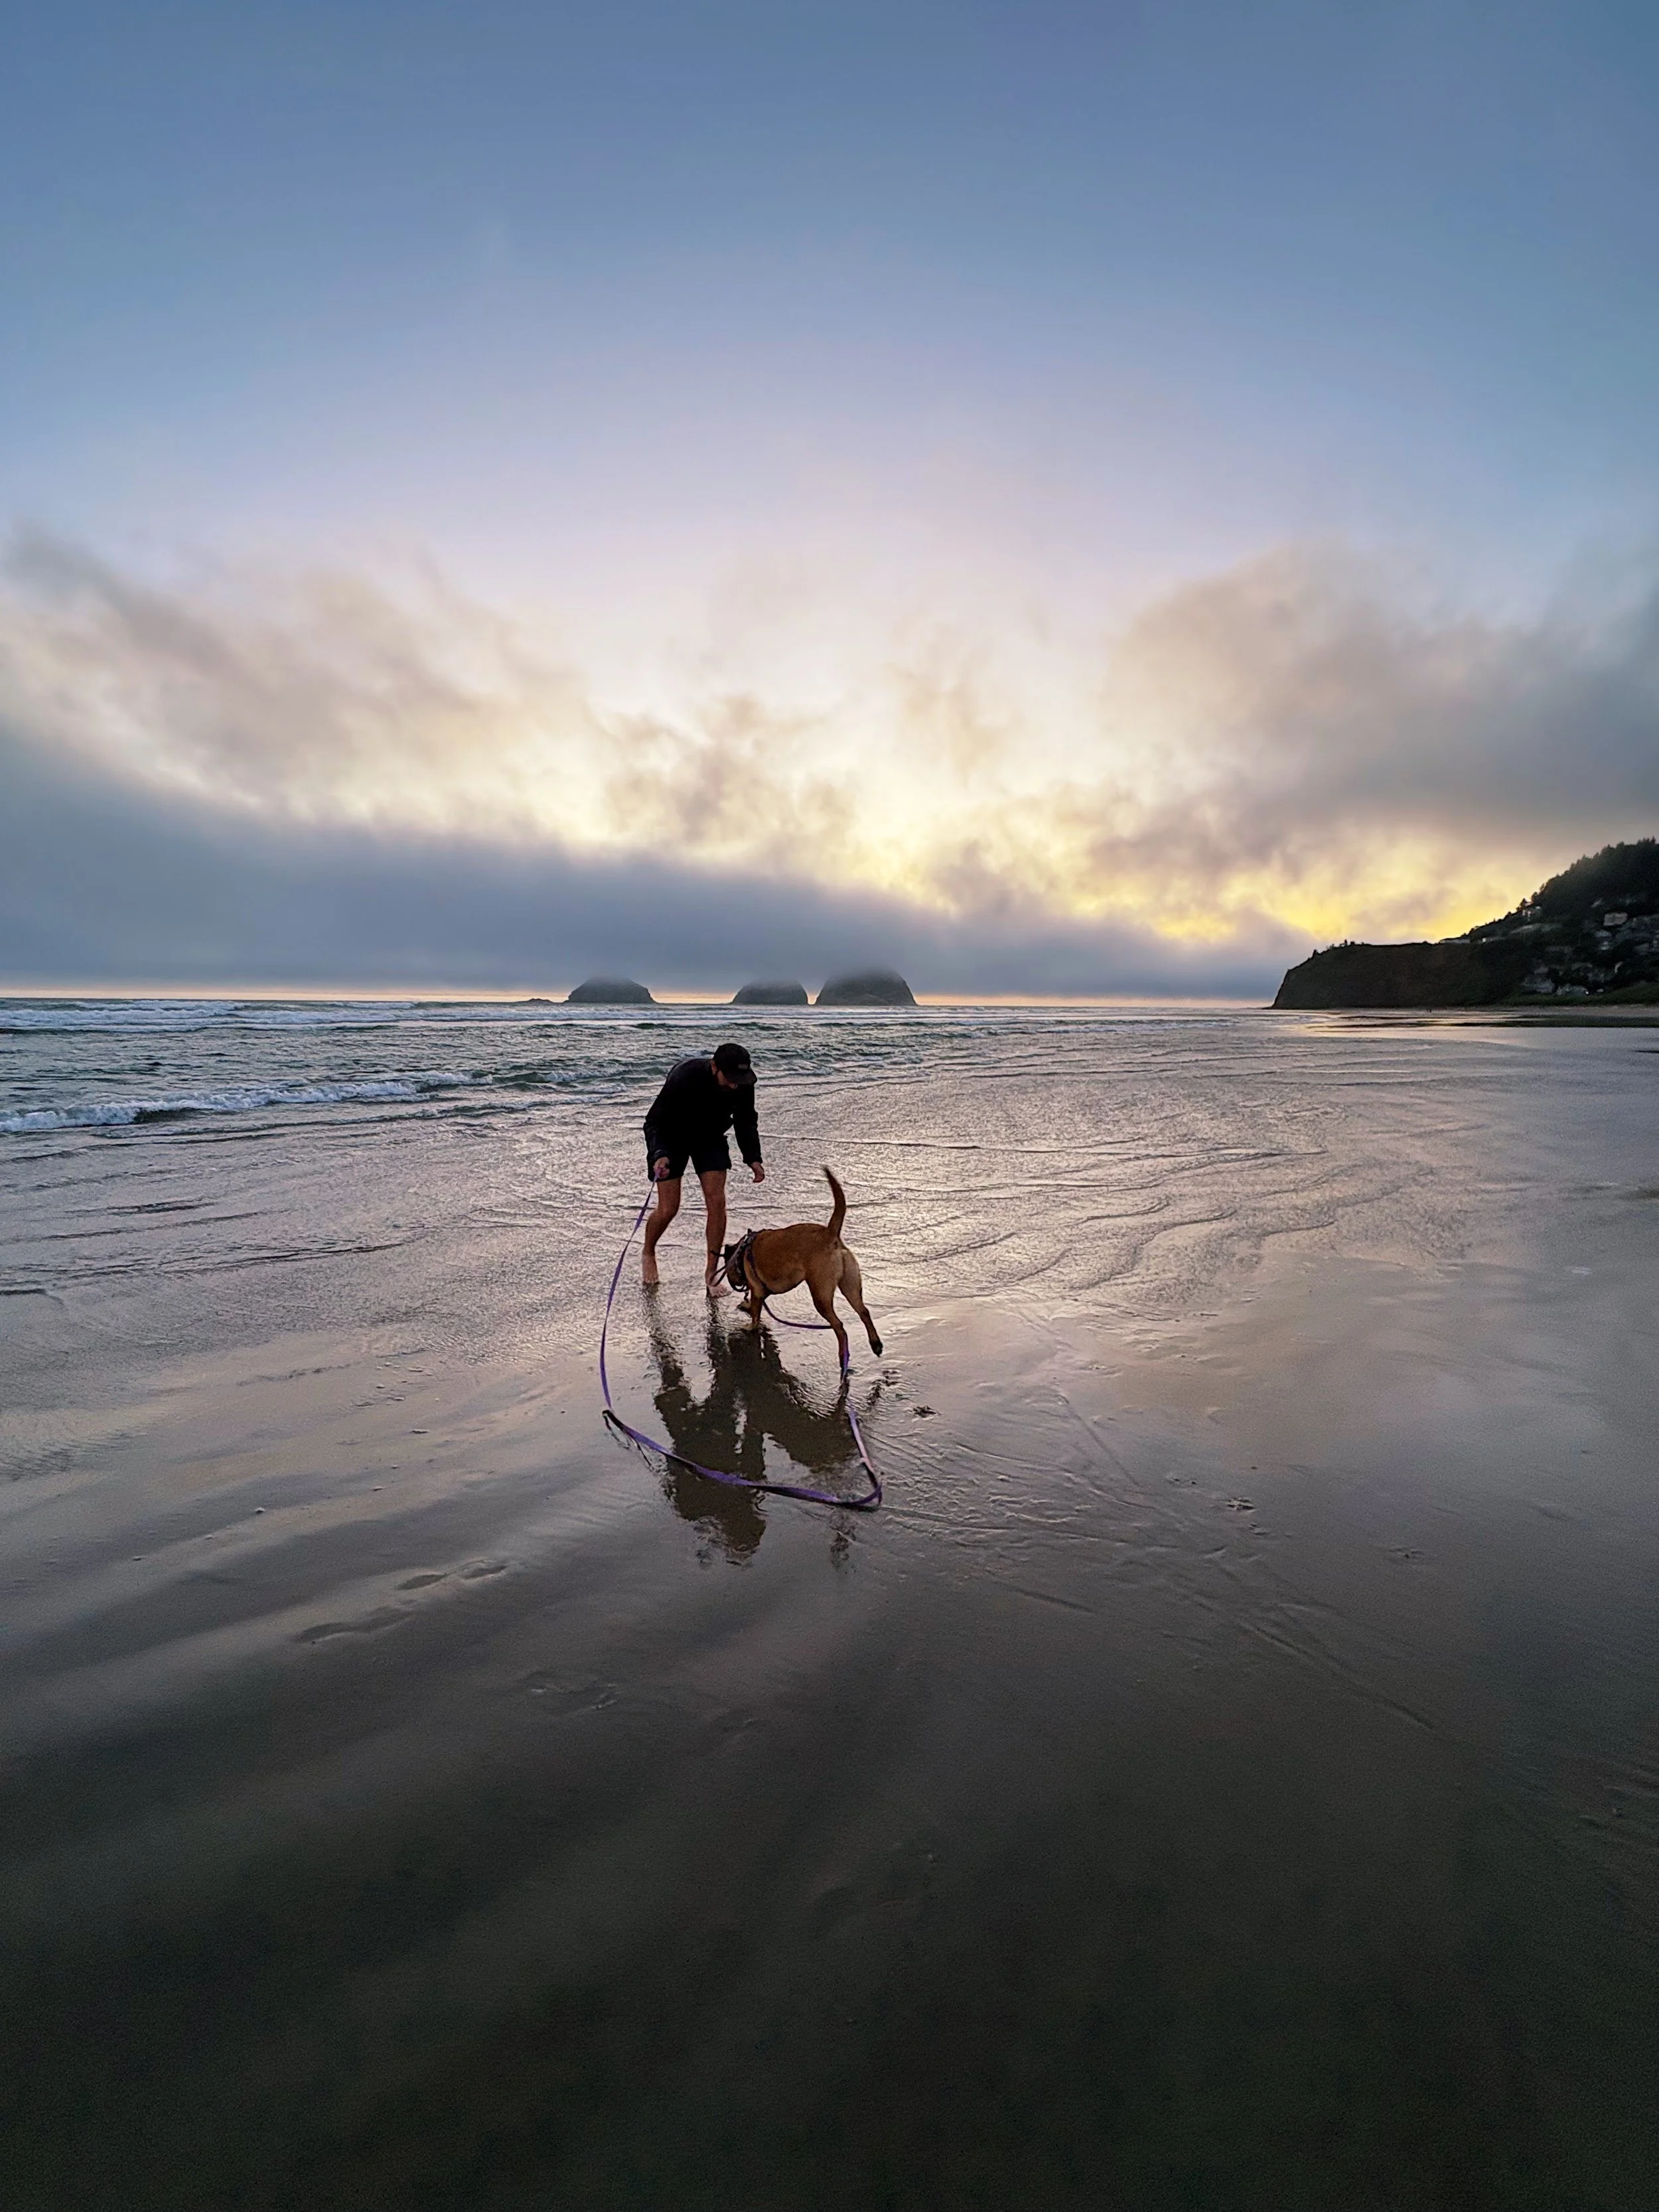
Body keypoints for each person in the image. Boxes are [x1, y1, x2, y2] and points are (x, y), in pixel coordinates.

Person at [642, 1040, 766, 1294]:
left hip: (710, 1137)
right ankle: (648, 1251)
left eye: (739, 1079)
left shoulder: (742, 1083)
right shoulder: (684, 1077)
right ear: (714, 1067)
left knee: (717, 1202)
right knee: (669, 1208)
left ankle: (711, 1272)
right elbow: (655, 1122)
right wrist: (660, 1155)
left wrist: (753, 1157)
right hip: (672, 1136)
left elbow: (746, 1120)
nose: (735, 1084)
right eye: (729, 1078)